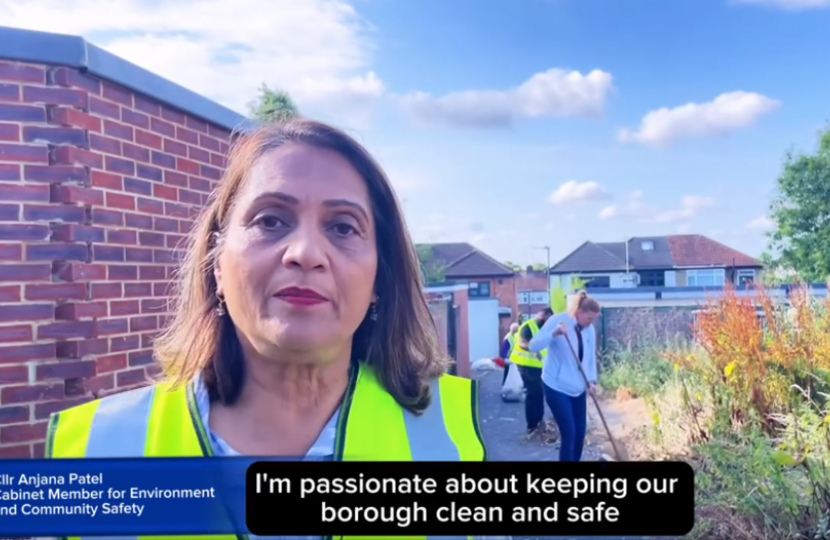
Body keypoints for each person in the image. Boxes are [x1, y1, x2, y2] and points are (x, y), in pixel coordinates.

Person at [46, 121, 487, 471]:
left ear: (379, 280)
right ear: (217, 263)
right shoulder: (96, 448)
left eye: (342, 227)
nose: (306, 253)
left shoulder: (449, 431)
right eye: (271, 221)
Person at [529, 291, 601, 462]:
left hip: (578, 387)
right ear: (580, 312)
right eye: (589, 318)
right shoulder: (558, 321)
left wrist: (591, 381)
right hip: (556, 385)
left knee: (580, 434)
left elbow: (589, 358)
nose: (591, 323)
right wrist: (554, 333)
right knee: (569, 433)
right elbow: (533, 346)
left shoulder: (589, 330)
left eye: (594, 319)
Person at [509, 307, 553, 435]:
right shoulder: (528, 327)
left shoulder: (543, 328)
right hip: (526, 365)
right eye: (548, 319)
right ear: (543, 316)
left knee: (539, 394)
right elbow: (523, 343)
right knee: (534, 394)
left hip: (538, 366)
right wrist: (536, 350)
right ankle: (533, 425)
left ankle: (538, 422)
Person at [500, 322, 520, 387]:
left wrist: (504, 357)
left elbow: (504, 349)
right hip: (513, 358)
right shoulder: (514, 337)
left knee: (508, 373)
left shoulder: (509, 336)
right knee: (512, 373)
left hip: (510, 358)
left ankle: (505, 386)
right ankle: (511, 386)